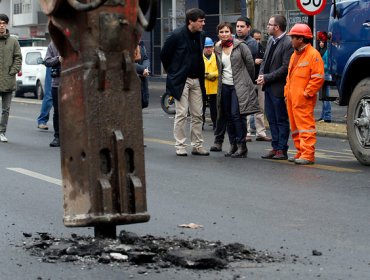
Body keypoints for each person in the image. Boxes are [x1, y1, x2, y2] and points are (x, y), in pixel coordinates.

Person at [160, 8, 209, 157]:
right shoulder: (176, 35)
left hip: (197, 79)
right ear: (191, 21)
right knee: (181, 113)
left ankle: (197, 145)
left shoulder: (202, 35)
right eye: (200, 21)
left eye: (203, 20)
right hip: (182, 80)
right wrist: (173, 72)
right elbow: (164, 55)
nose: (203, 23)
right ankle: (180, 145)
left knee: (198, 114)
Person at [210, 16, 259, 152]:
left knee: (236, 115)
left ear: (230, 33)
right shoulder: (217, 47)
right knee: (227, 115)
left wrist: (245, 82)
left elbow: (250, 66)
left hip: (239, 86)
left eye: (227, 32)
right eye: (222, 32)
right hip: (224, 86)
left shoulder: (240, 46)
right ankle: (233, 145)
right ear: (218, 34)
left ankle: (242, 145)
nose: (224, 34)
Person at [285, 23, 324, 165]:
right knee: (295, 127)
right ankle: (301, 151)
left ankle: (308, 154)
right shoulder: (295, 55)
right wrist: (286, 93)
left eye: (293, 37)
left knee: (305, 126)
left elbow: (318, 77)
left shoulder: (313, 55)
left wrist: (307, 93)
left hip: (303, 99)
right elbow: (289, 77)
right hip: (292, 98)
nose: (291, 40)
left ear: (300, 39)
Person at [257, 14, 293, 160]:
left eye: (270, 24)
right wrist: (261, 75)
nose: (268, 27)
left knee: (281, 119)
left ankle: (282, 149)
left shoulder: (287, 42)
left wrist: (266, 77)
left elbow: (285, 68)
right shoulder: (271, 40)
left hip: (279, 88)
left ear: (277, 27)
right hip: (269, 86)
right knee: (271, 118)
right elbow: (265, 61)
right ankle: (275, 146)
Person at [245, 29, 272, 142]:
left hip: (259, 80)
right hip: (248, 81)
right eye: (255, 39)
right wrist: (253, 61)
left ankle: (260, 132)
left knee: (260, 108)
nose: (257, 41)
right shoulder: (246, 47)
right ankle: (246, 132)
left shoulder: (262, 48)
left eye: (259, 39)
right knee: (246, 108)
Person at [0, 14, 22, 143]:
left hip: (8, 80)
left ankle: (2, 132)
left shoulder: (13, 41)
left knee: (6, 109)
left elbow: (18, 57)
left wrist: (12, 71)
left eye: (4, 23)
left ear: (7, 24)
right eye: (0, 23)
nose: (1, 25)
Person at [44, 41, 62, 147]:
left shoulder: (74, 41)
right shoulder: (53, 44)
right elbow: (46, 61)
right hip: (57, 84)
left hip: (73, 83)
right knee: (58, 112)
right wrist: (58, 59)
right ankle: (57, 137)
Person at [202, 37, 218, 130]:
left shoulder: (216, 57)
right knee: (201, 107)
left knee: (214, 108)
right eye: (206, 47)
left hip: (214, 86)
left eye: (210, 47)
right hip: (202, 86)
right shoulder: (199, 58)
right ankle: (201, 124)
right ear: (203, 48)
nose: (208, 49)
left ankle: (215, 124)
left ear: (213, 47)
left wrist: (212, 75)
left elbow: (221, 71)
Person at [316, 35, 331, 123]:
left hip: (326, 75)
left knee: (326, 98)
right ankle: (323, 116)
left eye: (323, 42)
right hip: (320, 75)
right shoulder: (319, 51)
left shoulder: (327, 51)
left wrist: (320, 65)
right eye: (320, 42)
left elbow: (328, 65)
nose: (321, 43)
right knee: (323, 98)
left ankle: (327, 116)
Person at [135, 38, 150, 109]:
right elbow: (129, 63)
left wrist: (145, 68)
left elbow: (146, 59)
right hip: (131, 81)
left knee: (144, 102)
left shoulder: (141, 44)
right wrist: (143, 69)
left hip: (142, 79)